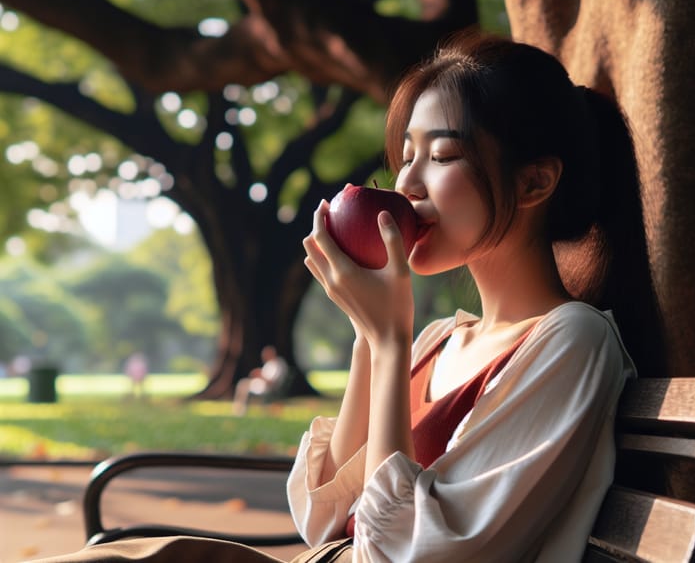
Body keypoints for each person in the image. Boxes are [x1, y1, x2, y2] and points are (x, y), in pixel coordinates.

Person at [29, 30, 648, 562]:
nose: (406, 182)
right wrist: (369, 342)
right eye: (407, 156)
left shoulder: (572, 339)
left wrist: (388, 338)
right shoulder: (436, 342)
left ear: (535, 181)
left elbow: (402, 556)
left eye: (443, 155)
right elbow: (323, 521)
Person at [232, 345, 289, 416]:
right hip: (261, 385)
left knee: (244, 386)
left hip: (268, 389)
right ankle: (239, 410)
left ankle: (241, 412)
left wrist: (260, 375)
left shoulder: (277, 365)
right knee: (243, 383)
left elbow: (271, 382)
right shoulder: (269, 364)